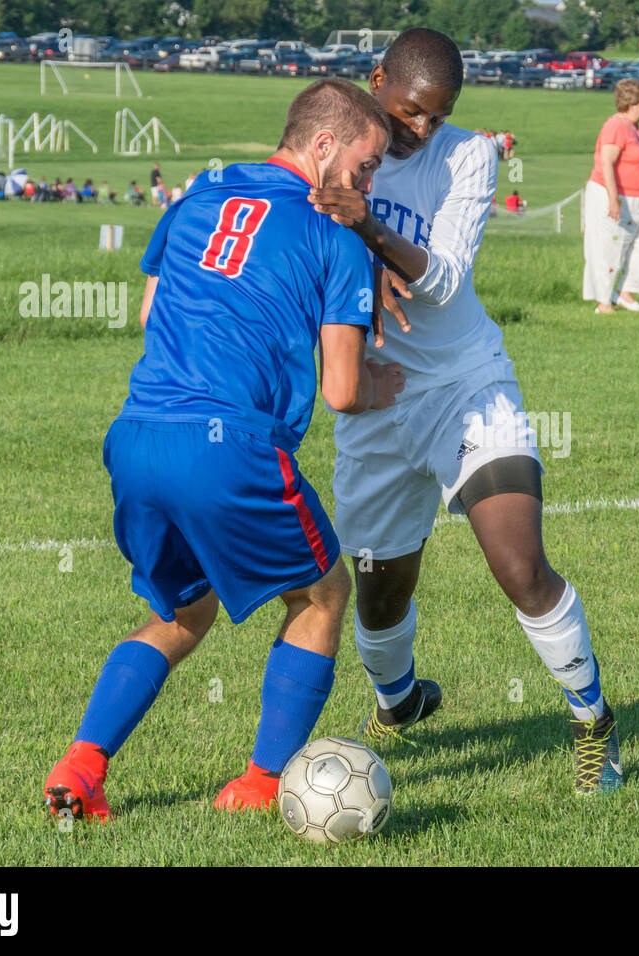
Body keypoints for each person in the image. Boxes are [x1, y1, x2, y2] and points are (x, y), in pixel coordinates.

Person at [41, 78, 402, 822]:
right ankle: (265, 786)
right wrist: (384, 385)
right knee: (323, 594)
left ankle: (80, 768)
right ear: (324, 145)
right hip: (230, 447)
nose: (367, 186)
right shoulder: (335, 235)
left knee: (185, 611)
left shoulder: (197, 198)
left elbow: (151, 313)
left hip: (138, 436)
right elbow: (341, 390)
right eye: (365, 168)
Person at [304, 28, 623, 793]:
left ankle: (594, 721)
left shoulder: (469, 156)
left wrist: (367, 232)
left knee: (520, 567)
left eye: (436, 116)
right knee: (379, 598)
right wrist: (350, 272)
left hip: (466, 386)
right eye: (410, 112)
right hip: (376, 403)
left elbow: (442, 279)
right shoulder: (336, 147)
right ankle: (399, 701)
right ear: (376, 80)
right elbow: (305, 246)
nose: (421, 129)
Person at [582, 76, 639, 314]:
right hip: (615, 198)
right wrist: (612, 199)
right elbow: (606, 163)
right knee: (610, 248)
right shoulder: (615, 126)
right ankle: (603, 303)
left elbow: (637, 167)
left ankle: (624, 293)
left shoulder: (634, 129)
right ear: (630, 102)